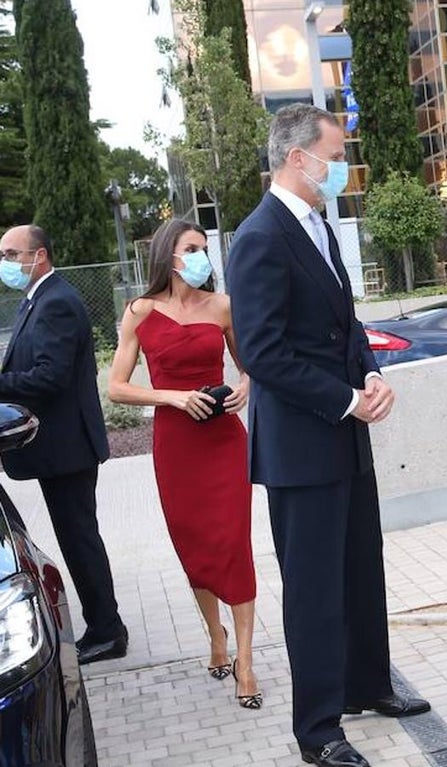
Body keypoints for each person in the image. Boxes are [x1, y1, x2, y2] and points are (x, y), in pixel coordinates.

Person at [226, 103, 428, 767]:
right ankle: (318, 730)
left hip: (345, 437)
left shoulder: (320, 228)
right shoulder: (259, 237)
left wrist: (370, 377)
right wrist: (345, 400)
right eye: (335, 156)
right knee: (313, 591)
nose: (341, 168)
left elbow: (345, 325)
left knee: (361, 570)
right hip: (301, 449)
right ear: (296, 157)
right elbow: (263, 351)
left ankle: (369, 683)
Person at [107, 218, 261, 708]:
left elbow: (251, 364)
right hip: (176, 444)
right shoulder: (139, 312)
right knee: (194, 545)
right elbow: (117, 386)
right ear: (167, 256)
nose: (202, 257)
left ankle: (246, 661)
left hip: (224, 440)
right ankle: (215, 639)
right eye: (192, 248)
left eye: (205, 248)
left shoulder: (223, 307)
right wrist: (173, 397)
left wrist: (244, 388)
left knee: (234, 543)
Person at [0, 224, 128, 665]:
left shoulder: (57, 302)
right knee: (76, 538)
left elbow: (48, 377)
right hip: (59, 450)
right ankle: (104, 624)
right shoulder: (39, 298)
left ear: (39, 256)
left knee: (79, 540)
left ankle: (108, 630)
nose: (6, 263)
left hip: (67, 449)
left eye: (12, 254)